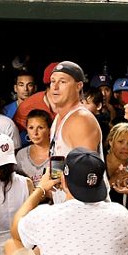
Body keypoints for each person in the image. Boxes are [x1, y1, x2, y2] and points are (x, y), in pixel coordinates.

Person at [47, 61, 104, 203]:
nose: (55, 86)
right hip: (66, 205)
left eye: (62, 82)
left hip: (85, 207)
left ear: (79, 86)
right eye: (52, 81)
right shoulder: (59, 118)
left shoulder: (81, 120)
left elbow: (88, 175)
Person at [15, 109, 52, 185]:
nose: (35, 133)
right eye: (31, 128)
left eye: (40, 128)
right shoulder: (21, 155)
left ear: (49, 129)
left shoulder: (58, 153)